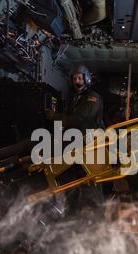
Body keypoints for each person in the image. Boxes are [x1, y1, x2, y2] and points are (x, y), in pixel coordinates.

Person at [45, 65, 106, 217]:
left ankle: (98, 216)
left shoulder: (93, 98)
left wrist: (55, 117)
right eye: (74, 78)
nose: (76, 81)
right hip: (76, 144)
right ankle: (70, 211)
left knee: (92, 181)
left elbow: (80, 119)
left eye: (79, 78)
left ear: (87, 79)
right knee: (71, 177)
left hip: (90, 145)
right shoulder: (75, 98)